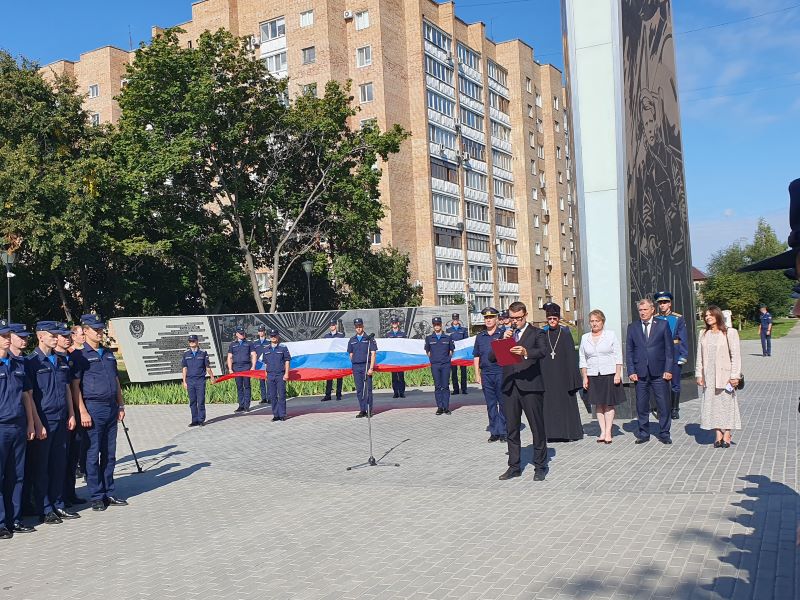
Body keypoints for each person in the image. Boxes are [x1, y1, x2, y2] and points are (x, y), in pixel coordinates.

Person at [70, 314, 128, 512]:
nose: (100, 333)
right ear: (85, 331)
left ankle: (109, 492)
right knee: (92, 454)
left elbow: (116, 381)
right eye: (96, 330)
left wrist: (121, 405)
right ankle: (96, 495)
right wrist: (82, 411)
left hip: (111, 408)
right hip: (93, 408)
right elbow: (75, 386)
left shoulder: (108, 354)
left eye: (101, 329)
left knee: (109, 454)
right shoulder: (79, 356)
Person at [24, 322, 79, 525]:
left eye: (57, 335)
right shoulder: (31, 362)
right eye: (52, 335)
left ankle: (58, 504)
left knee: (58, 464)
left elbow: (66, 389)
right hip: (44, 419)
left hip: (61, 418)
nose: (56, 338)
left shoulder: (61, 360)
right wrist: (37, 423)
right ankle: (45, 508)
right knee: (42, 467)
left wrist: (71, 413)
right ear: (41, 336)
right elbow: (29, 397)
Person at [491, 301, 548, 481]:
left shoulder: (537, 333)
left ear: (525, 316)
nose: (515, 321)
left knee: (537, 427)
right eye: (512, 318)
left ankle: (540, 466)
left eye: (518, 318)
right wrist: (502, 340)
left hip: (530, 386)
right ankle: (514, 466)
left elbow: (543, 351)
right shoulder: (505, 334)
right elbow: (491, 357)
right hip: (510, 387)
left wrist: (525, 351)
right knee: (512, 429)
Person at [0, 319, 37, 538]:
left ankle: (15, 519)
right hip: (1, 427)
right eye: (3, 336)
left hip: (18, 425)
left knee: (17, 475)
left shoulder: (17, 364)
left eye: (8, 335)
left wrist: (31, 423)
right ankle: (1, 522)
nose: (7, 339)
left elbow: (25, 396)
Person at [626, 298, 674, 445]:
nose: (642, 312)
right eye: (640, 310)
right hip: (640, 373)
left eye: (645, 309)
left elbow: (669, 349)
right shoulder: (632, 327)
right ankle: (643, 433)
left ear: (652, 310)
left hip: (659, 372)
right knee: (641, 405)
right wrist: (631, 370)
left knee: (663, 404)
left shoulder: (662, 325)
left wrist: (668, 369)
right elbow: (629, 350)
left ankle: (664, 433)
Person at [695, 305, 742, 448]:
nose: (708, 317)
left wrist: (735, 376)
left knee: (726, 404)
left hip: (725, 375)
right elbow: (699, 356)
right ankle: (718, 434)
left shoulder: (730, 332)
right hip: (708, 376)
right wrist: (699, 374)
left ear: (718, 315)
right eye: (706, 315)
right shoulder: (703, 333)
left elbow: (736, 356)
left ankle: (727, 433)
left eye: (711, 315)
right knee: (712, 405)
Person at [579, 310, 625, 444]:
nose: (594, 324)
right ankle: (602, 431)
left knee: (608, 404)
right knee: (598, 404)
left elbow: (618, 355)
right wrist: (584, 377)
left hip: (609, 373)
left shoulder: (610, 335)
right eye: (592, 321)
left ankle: (609, 431)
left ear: (602, 322)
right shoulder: (585, 338)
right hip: (593, 374)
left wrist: (618, 373)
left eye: (597, 321)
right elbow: (582, 358)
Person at [540, 303, 584, 442]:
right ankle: (551, 434)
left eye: (554, 318)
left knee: (565, 404)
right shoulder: (543, 334)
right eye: (550, 319)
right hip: (548, 375)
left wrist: (573, 378)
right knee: (549, 405)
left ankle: (568, 433)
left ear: (558, 319)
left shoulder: (565, 333)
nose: (552, 321)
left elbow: (571, 356)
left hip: (563, 375)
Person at [472, 307, 506, 442]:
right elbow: (476, 356)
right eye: (486, 318)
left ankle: (503, 431)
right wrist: (477, 374)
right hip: (486, 374)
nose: (488, 320)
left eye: (491, 317)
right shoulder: (480, 337)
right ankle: (494, 431)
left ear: (496, 319)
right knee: (491, 404)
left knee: (503, 402)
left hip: (500, 372)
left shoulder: (503, 334)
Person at [654, 291, 689, 420]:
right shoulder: (655, 318)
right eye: (660, 303)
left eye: (665, 302)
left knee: (675, 383)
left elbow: (683, 337)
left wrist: (683, 355)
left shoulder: (677, 318)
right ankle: (662, 408)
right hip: (660, 354)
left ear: (670, 304)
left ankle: (674, 409)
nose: (662, 305)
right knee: (660, 383)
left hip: (674, 352)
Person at [63, 325, 87, 507]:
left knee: (73, 456)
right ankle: (61, 495)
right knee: (61, 458)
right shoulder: (59, 358)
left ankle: (70, 493)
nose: (64, 339)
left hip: (74, 412)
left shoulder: (73, 357)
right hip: (63, 414)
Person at [181, 334, 215, 427]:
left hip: (200, 380)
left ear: (197, 342)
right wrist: (184, 381)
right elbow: (184, 368)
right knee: (192, 401)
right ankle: (194, 420)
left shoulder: (203, 353)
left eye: (193, 341)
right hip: (190, 380)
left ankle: (201, 420)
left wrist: (212, 377)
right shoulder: (186, 354)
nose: (192, 343)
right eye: (190, 341)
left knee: (200, 401)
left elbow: (207, 367)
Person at [425, 317, 454, 415]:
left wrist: (447, 359)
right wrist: (434, 359)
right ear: (433, 326)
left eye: (438, 324)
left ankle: (446, 407)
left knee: (445, 386)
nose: (436, 326)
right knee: (437, 386)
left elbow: (451, 350)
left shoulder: (448, 337)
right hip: (435, 365)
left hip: (445, 365)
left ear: (441, 325)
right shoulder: (429, 338)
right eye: (435, 324)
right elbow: (427, 351)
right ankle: (440, 407)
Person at [348, 319, 377, 418]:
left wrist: (371, 368)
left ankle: (369, 410)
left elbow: (373, 354)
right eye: (357, 327)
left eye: (360, 326)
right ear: (355, 327)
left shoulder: (369, 339)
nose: (358, 328)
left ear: (363, 326)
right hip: (356, 367)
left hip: (366, 366)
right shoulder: (352, 340)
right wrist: (355, 362)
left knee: (368, 389)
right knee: (359, 389)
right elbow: (351, 354)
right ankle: (362, 410)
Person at [262, 330, 291, 422]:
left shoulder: (283, 348)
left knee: (281, 395)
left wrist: (287, 373)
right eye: (271, 336)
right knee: (272, 396)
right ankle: (275, 415)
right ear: (269, 337)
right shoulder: (266, 349)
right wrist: (266, 374)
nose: (273, 337)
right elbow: (266, 363)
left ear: (278, 336)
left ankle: (282, 414)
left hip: (280, 374)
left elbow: (287, 361)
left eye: (275, 335)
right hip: (270, 375)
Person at [227, 325, 256, 414]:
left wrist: (253, 367)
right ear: (236, 334)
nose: (242, 334)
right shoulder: (232, 344)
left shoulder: (249, 343)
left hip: (246, 367)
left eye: (243, 333)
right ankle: (241, 405)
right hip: (236, 368)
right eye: (240, 333)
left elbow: (254, 355)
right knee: (239, 387)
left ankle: (246, 406)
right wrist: (230, 369)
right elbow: (229, 357)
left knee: (247, 386)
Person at [321, 320, 344, 402]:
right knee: (329, 377)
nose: (332, 326)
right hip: (330, 360)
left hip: (338, 359)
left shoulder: (341, 335)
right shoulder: (326, 336)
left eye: (333, 325)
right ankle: (328, 395)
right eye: (330, 325)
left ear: (336, 326)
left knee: (339, 377)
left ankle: (338, 394)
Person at [446, 313, 468, 395]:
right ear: (452, 320)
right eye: (454, 319)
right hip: (453, 353)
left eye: (456, 319)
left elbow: (466, 341)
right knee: (454, 372)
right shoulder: (448, 330)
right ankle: (456, 389)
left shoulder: (463, 330)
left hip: (462, 353)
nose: (455, 320)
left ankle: (464, 389)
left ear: (458, 319)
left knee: (463, 372)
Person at [387, 316, 407, 398]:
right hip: (392, 357)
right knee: (394, 376)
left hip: (400, 357)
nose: (394, 324)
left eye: (395, 322)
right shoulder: (388, 334)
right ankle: (395, 392)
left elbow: (406, 345)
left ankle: (402, 392)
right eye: (393, 323)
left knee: (401, 376)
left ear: (398, 323)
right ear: (391, 324)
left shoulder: (402, 334)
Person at [252, 325, 270, 404]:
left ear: (265, 332)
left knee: (269, 382)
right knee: (261, 382)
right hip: (259, 365)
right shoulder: (255, 343)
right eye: (259, 331)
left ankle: (270, 398)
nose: (261, 332)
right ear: (258, 332)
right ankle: (264, 398)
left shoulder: (269, 342)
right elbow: (254, 354)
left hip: (267, 364)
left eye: (262, 331)